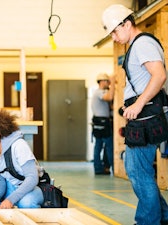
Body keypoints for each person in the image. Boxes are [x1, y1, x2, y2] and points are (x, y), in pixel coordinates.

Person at [102, 4, 168, 225]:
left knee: (137, 171)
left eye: (115, 31)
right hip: (144, 117)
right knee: (139, 170)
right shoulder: (139, 45)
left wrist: (138, 105)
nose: (113, 37)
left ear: (127, 24)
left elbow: (159, 76)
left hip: (146, 117)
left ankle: (147, 221)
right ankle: (163, 217)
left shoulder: (143, 44)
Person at [91, 73, 115, 175]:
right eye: (107, 82)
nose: (108, 84)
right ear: (102, 82)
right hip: (102, 122)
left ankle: (100, 168)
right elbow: (109, 97)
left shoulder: (100, 92)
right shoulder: (99, 92)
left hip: (99, 121)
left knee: (99, 145)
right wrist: (113, 83)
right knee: (109, 146)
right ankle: (114, 169)